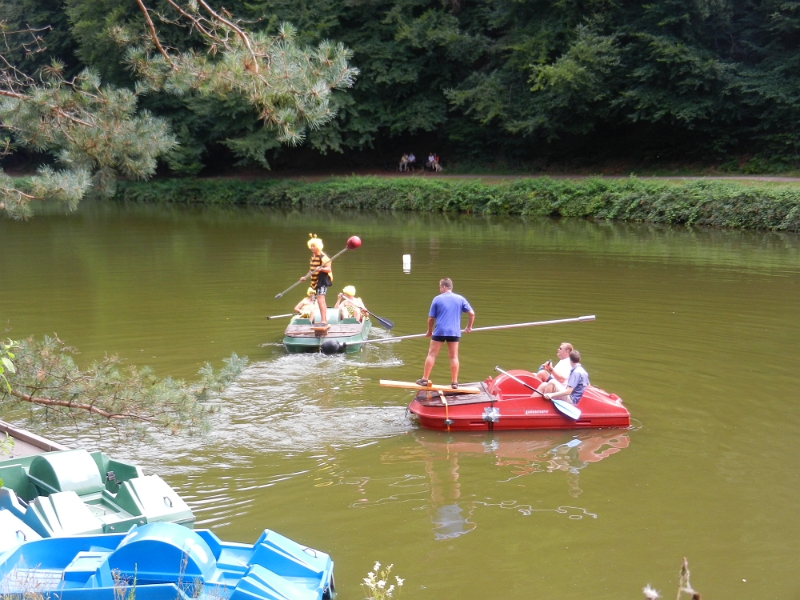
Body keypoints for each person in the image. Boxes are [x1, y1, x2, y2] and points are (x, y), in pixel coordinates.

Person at [417, 278, 475, 389]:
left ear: (443, 287)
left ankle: (424, 379)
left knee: (432, 354)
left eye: (440, 287)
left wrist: (429, 331)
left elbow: (430, 319)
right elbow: (472, 314)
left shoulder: (437, 299)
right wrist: (469, 327)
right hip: (454, 332)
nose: (439, 289)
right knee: (453, 357)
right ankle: (454, 382)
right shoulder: (460, 299)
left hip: (439, 331)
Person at [300, 234, 332, 326]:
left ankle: (323, 321)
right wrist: (305, 277)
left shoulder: (324, 257)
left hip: (322, 280)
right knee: (322, 300)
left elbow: (329, 269)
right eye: (311, 246)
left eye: (313, 246)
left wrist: (321, 268)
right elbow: (311, 270)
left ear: (318, 246)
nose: (312, 248)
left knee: (320, 300)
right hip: (315, 281)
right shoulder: (313, 257)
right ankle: (324, 320)